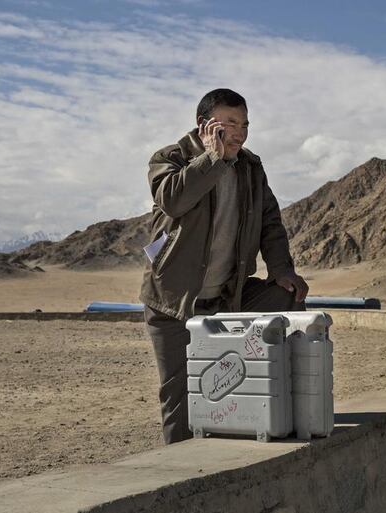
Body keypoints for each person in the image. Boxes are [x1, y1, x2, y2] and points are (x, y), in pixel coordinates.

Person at [140, 88, 309, 444]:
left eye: (244, 124)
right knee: (180, 400)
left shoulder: (250, 167)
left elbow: (270, 222)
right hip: (174, 302)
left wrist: (282, 270)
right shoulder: (169, 158)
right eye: (229, 124)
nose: (240, 132)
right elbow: (173, 201)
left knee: (287, 298)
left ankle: (279, 415)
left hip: (228, 298)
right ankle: (181, 475)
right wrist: (211, 160)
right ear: (204, 125)